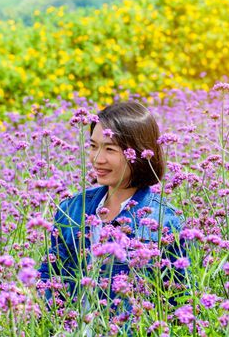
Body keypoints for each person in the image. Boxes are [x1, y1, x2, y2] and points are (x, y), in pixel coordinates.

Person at [38, 101, 185, 316]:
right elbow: (51, 276)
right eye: (93, 146)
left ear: (138, 153)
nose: (97, 159)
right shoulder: (72, 209)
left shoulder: (163, 221)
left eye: (110, 149)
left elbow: (179, 301)